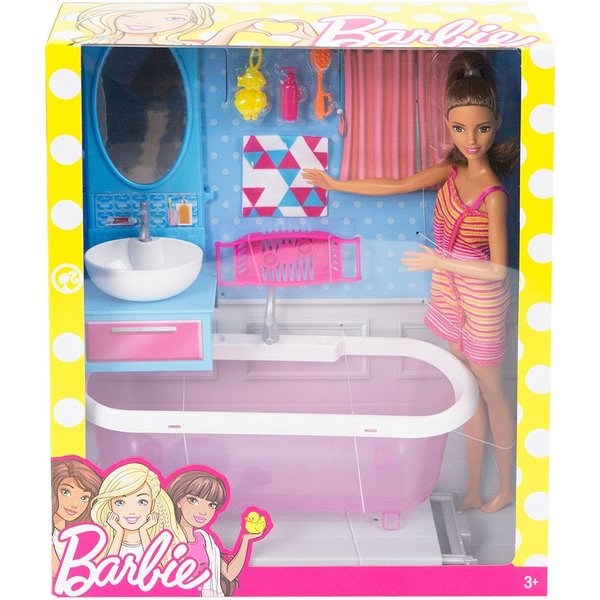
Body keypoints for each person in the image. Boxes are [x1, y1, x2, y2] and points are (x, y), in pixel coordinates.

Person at [303, 51, 519, 513]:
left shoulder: (494, 194)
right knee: (465, 388)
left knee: (492, 391)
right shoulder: (452, 171)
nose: (470, 139)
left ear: (496, 125)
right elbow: (396, 183)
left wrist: (439, 259)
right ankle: (475, 489)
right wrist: (335, 184)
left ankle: (506, 488)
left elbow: (499, 269)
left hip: (480, 298)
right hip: (448, 289)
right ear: (447, 125)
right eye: (459, 128)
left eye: (481, 128)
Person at [167, 469, 268, 596]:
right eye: (193, 500)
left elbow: (229, 573)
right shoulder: (166, 538)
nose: (203, 512)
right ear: (178, 501)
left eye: (211, 505)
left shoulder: (204, 540)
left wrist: (246, 540)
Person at [90, 462, 187, 563]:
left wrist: (143, 531)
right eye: (120, 502)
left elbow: (156, 568)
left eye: (142, 502)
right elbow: (107, 568)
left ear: (152, 504)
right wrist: (119, 533)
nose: (131, 511)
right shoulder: (100, 542)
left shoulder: (163, 543)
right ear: (110, 505)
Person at [51, 458, 103, 578]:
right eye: (66, 492)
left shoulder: (86, 533)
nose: (75, 504)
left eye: (84, 498)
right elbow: (60, 576)